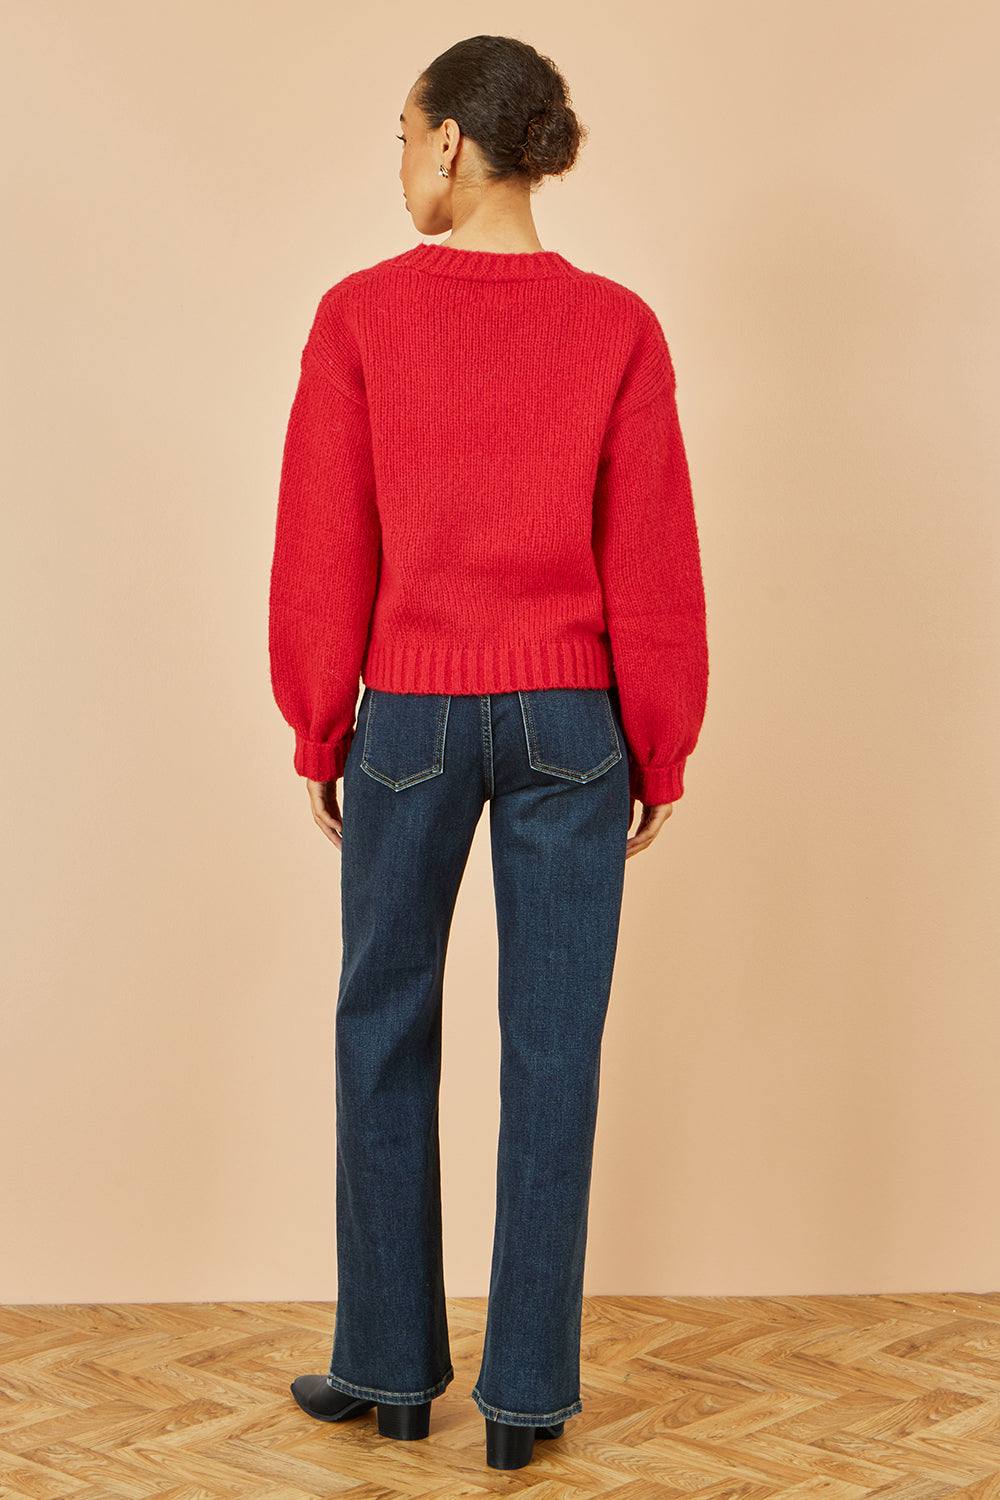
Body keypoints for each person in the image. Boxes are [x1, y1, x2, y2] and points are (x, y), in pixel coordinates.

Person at [268, 33, 709, 1473]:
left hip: (408, 711)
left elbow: (325, 539)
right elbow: (651, 556)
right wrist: (658, 743)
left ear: (452, 141)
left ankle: (392, 1368)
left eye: (403, 136)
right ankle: (523, 1399)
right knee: (555, 1046)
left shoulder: (359, 316)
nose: (401, 164)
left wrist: (319, 719)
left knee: (382, 1022)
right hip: (572, 720)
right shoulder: (619, 326)